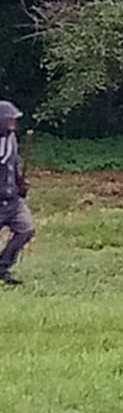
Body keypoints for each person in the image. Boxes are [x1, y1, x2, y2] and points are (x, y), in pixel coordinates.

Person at [0, 100, 33, 285]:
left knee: (26, 229)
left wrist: (20, 183)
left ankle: (3, 266)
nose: (13, 124)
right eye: (9, 120)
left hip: (12, 200)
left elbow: (13, 163)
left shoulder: (11, 138)